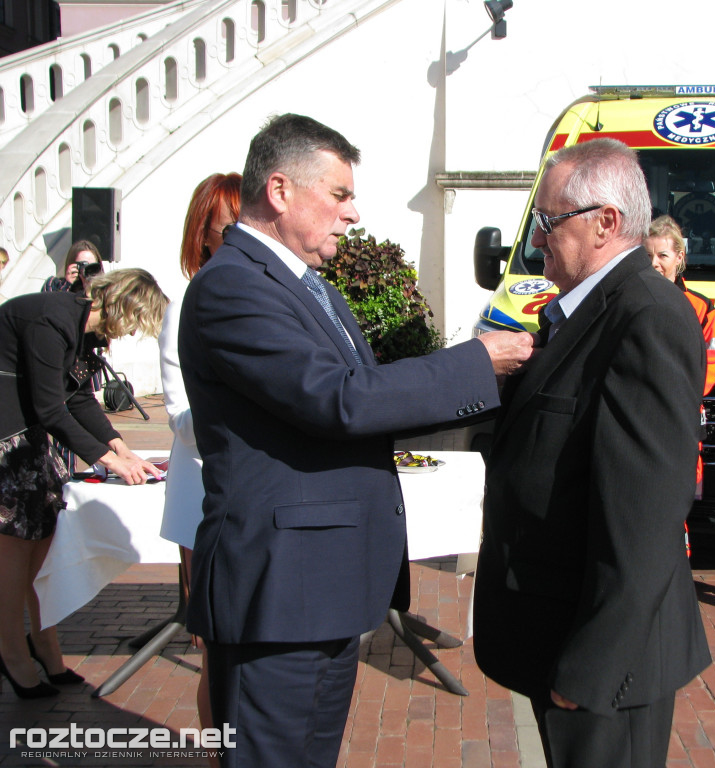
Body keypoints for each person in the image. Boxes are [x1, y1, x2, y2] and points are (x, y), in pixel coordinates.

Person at [177, 114, 533, 768]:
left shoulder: (308, 287)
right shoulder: (232, 286)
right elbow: (337, 399)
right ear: (281, 192)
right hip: (283, 595)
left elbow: (364, 400)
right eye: (339, 194)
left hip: (322, 587)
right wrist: (475, 362)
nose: (353, 213)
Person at [473, 139, 711, 768]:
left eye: (550, 222)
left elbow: (645, 519)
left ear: (606, 222)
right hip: (561, 635)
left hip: (606, 668)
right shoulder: (579, 312)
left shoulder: (647, 315)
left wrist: (590, 668)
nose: (537, 239)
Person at [0, 268, 168, 698]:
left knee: (45, 542)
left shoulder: (86, 331)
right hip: (8, 431)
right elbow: (50, 408)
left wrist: (120, 446)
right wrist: (108, 460)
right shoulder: (53, 320)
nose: (131, 333)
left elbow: (77, 396)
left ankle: (45, 646)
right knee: (16, 548)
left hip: (31, 429)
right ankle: (11, 651)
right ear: (124, 306)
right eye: (135, 322)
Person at [159, 171, 240, 767]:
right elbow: (180, 416)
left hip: (250, 494)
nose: (239, 236)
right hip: (204, 495)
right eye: (226, 227)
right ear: (203, 235)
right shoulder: (188, 302)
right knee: (215, 647)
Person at [644, 214, 715, 501]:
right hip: (639, 415)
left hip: (680, 414)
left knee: (679, 500)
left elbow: (713, 361)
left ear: (679, 257)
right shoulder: (626, 300)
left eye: (663, 255)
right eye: (647, 254)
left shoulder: (701, 308)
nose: (654, 262)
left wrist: (675, 394)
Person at [41, 240, 106, 472]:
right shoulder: (54, 285)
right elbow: (48, 311)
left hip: (82, 366)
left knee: (86, 416)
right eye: (79, 264)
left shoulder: (101, 290)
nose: (83, 270)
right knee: (63, 421)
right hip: (59, 367)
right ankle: (65, 475)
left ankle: (100, 467)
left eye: (90, 265)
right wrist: (68, 284)